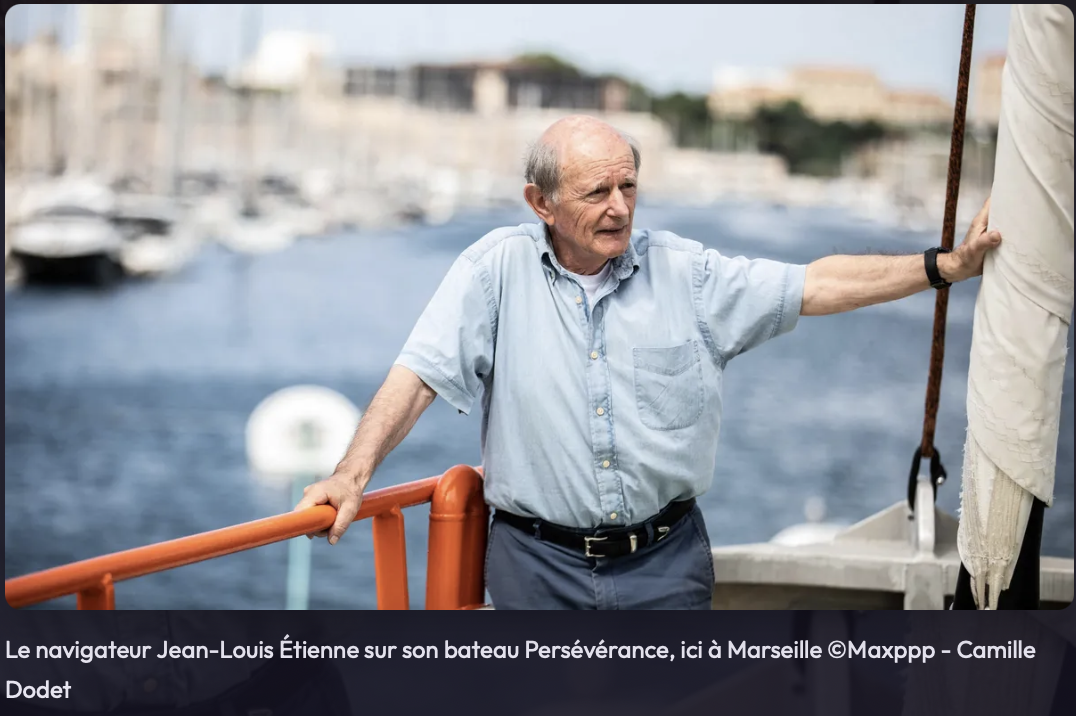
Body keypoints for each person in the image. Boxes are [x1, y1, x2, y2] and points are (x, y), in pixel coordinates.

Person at [294, 114, 1002, 610]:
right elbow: (419, 376)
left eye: (628, 187)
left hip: (667, 568)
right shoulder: (492, 271)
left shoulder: (688, 275)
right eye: (596, 192)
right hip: (535, 570)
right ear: (541, 203)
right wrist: (351, 476)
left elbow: (813, 285)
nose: (619, 208)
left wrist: (942, 266)